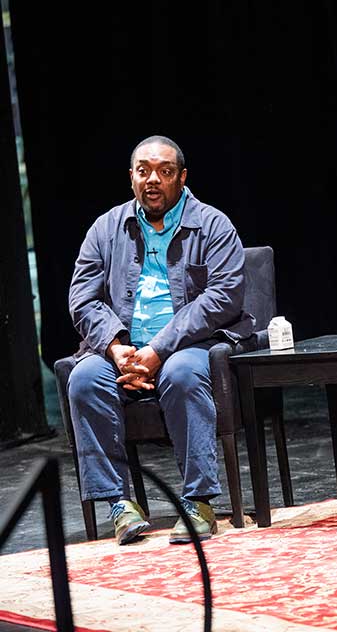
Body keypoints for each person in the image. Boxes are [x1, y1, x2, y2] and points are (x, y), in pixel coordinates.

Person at [67, 135, 253, 546]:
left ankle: (199, 500)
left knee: (183, 373)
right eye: (144, 171)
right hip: (123, 349)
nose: (153, 180)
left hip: (189, 346)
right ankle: (119, 504)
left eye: (165, 172)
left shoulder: (213, 225)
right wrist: (116, 348)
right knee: (83, 380)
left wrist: (159, 349)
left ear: (182, 178)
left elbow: (223, 297)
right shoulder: (105, 228)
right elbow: (82, 297)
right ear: (131, 177)